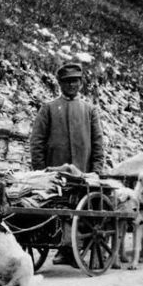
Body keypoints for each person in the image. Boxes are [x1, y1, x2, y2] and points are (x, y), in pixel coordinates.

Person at [29, 62, 104, 266]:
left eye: (75, 81)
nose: (72, 85)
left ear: (81, 83)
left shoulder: (89, 110)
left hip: (82, 173)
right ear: (60, 84)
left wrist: (96, 171)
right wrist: (40, 171)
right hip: (54, 173)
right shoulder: (49, 108)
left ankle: (77, 247)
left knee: (82, 211)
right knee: (57, 212)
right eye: (67, 81)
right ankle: (62, 248)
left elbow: (98, 143)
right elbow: (37, 141)